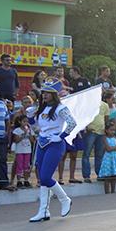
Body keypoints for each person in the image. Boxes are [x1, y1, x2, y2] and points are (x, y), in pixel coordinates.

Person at [25, 79, 76, 222]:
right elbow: (36, 128)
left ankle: (64, 199)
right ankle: (43, 211)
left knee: (46, 177)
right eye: (43, 93)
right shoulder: (41, 109)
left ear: (54, 94)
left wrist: (61, 136)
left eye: (48, 93)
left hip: (55, 144)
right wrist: (30, 118)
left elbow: (72, 123)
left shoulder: (61, 108)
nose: (45, 95)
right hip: (42, 144)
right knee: (42, 178)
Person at [81, 91, 111, 183]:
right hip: (91, 131)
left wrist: (105, 129)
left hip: (101, 132)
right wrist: (86, 127)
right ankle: (86, 175)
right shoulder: (88, 105)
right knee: (86, 153)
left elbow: (106, 118)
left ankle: (99, 174)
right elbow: (84, 117)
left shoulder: (105, 105)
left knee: (99, 154)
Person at [98, 121, 116, 194]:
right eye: (111, 130)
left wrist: (115, 148)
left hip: (114, 157)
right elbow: (108, 149)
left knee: (114, 175)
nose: (113, 132)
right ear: (106, 130)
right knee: (107, 176)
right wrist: (115, 148)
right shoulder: (104, 138)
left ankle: (113, 190)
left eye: (114, 130)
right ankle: (107, 191)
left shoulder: (115, 138)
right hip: (108, 158)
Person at [11, 114, 34, 189]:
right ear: (20, 122)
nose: (26, 123)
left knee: (26, 165)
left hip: (27, 150)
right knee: (19, 165)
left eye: (27, 122)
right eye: (24, 121)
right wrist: (23, 134)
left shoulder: (29, 129)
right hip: (20, 150)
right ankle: (19, 180)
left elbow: (32, 141)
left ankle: (26, 180)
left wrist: (30, 134)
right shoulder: (17, 130)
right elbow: (16, 140)